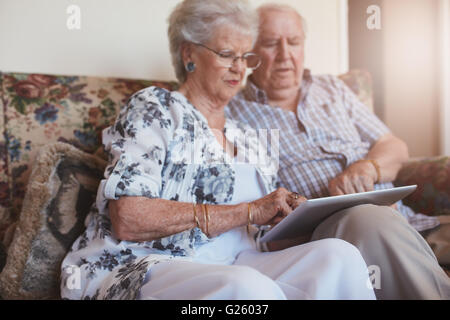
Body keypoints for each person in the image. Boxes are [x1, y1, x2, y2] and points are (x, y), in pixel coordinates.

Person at [60, 0, 376, 300]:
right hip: (148, 263)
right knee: (247, 288)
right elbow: (127, 219)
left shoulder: (251, 136)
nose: (240, 69)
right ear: (189, 55)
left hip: (240, 261)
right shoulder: (156, 108)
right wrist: (247, 210)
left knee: (339, 256)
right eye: (227, 54)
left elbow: (264, 239)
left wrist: (293, 216)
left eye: (245, 57)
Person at [226, 3, 450, 300]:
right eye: (270, 44)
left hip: (408, 222)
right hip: (332, 233)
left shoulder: (332, 88)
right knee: (367, 219)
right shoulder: (232, 113)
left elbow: (394, 147)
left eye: (293, 42)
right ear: (250, 51)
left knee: (382, 221)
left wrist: (369, 167)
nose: (285, 55)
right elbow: (243, 202)